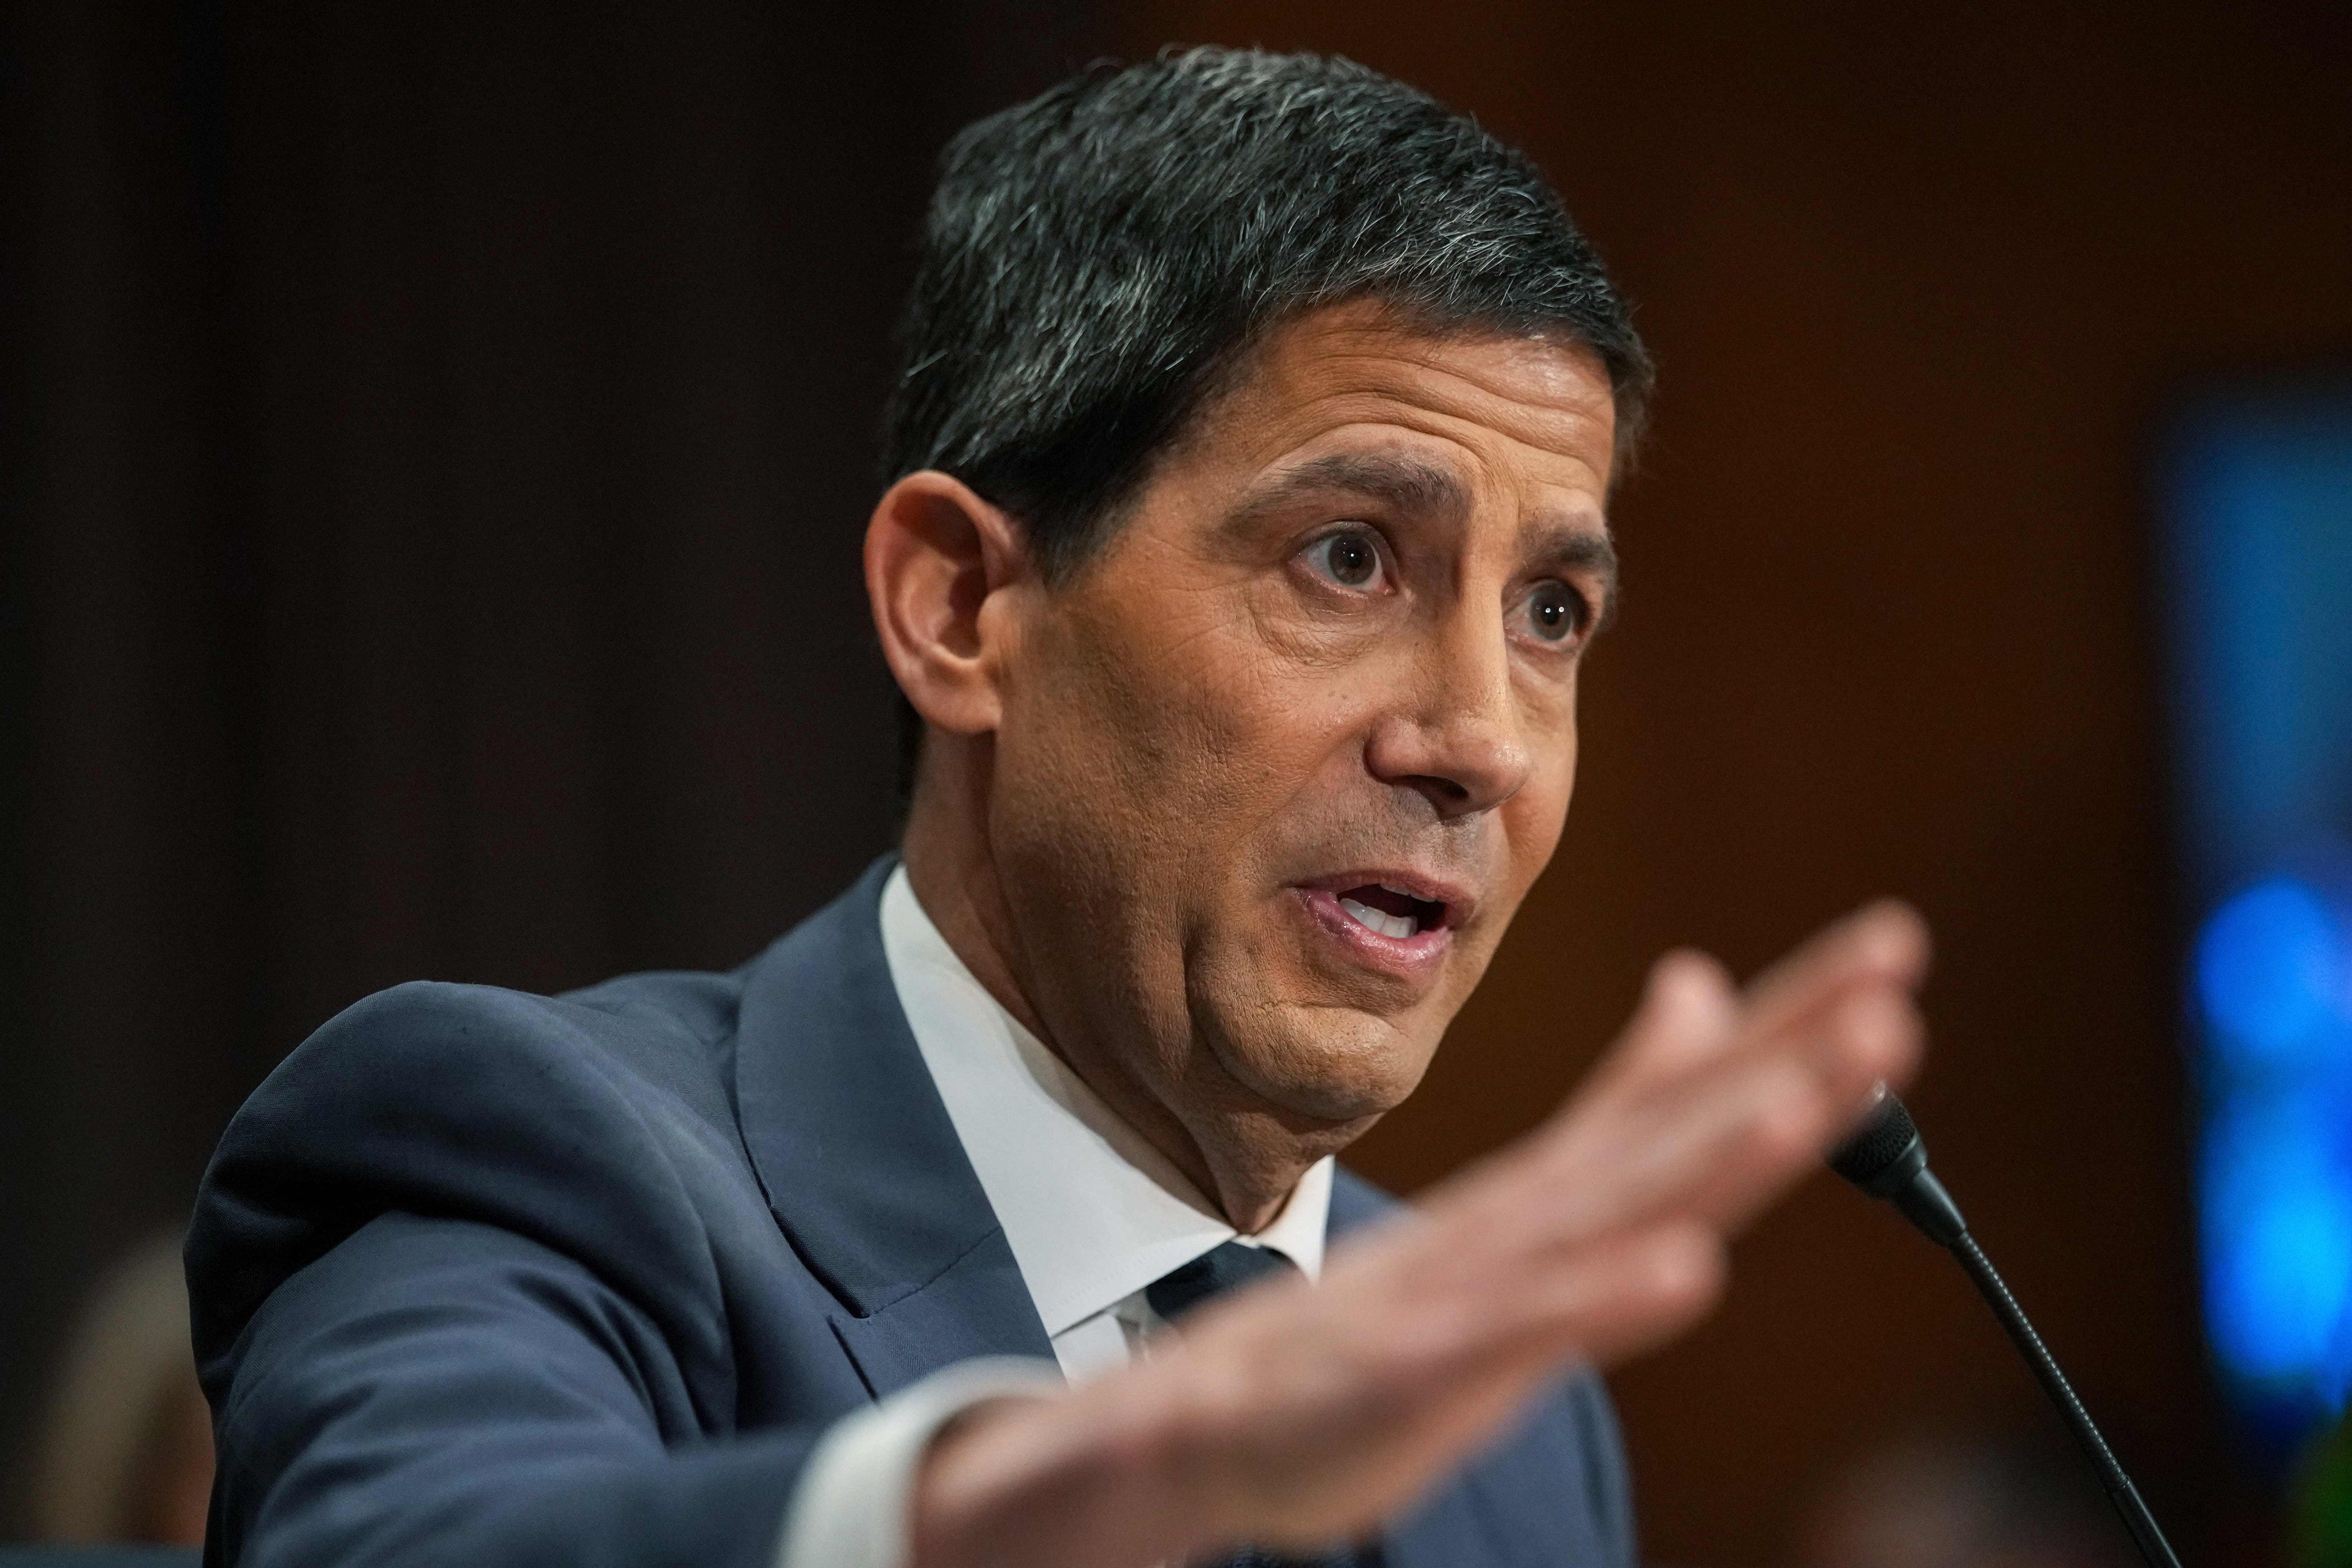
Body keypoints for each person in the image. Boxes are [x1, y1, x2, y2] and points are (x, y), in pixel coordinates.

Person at [187, 47, 1929, 1568]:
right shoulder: (533, 1165)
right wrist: (1135, 1460)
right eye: (1348, 558)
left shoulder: (1506, 1418)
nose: (1481, 741)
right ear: (961, 607)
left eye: (1550, 611)